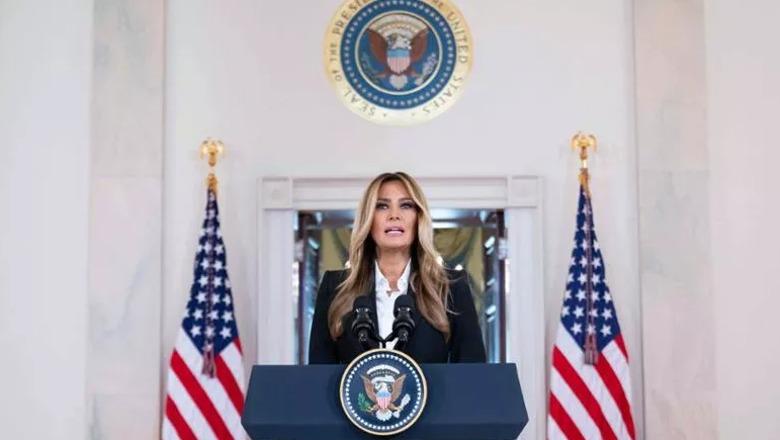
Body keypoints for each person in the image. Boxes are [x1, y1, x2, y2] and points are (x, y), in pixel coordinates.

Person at [308, 172, 486, 364]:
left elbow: (473, 371)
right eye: (382, 206)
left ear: (418, 218)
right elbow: (318, 374)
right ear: (369, 218)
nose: (394, 215)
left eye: (406, 205)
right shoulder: (334, 287)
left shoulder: (452, 287)